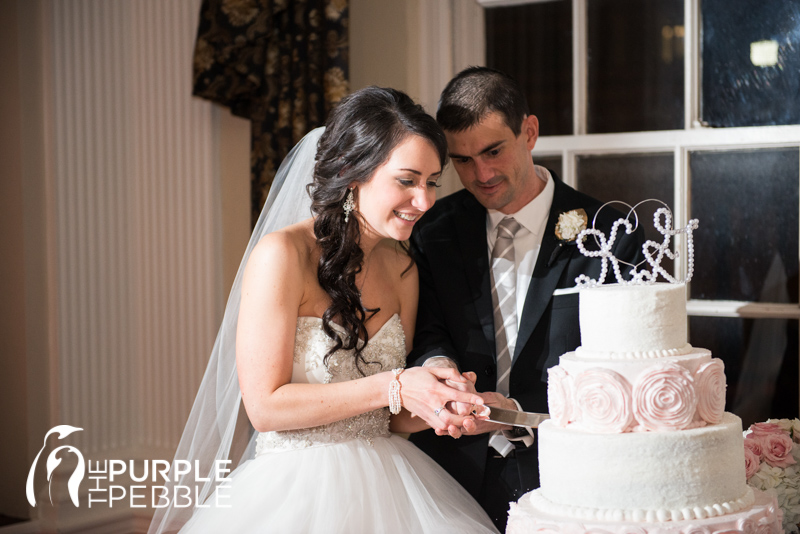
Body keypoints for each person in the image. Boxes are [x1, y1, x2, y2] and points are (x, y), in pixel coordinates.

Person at [148, 87, 499, 534]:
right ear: (354, 173)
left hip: (391, 489)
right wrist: (395, 384)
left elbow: (391, 418)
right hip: (294, 492)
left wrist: (443, 406)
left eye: (432, 182)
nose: (425, 201)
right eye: (407, 180)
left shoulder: (403, 268)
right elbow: (265, 407)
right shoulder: (282, 255)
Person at [408, 67, 645, 531]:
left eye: (493, 151)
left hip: (572, 475)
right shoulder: (433, 233)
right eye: (462, 160)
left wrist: (519, 414)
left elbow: (626, 369)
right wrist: (440, 371)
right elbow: (425, 328)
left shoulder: (610, 235)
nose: (482, 174)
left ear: (530, 132)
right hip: (450, 474)